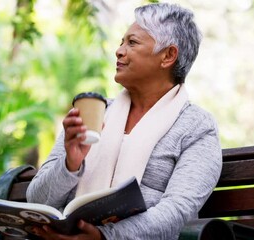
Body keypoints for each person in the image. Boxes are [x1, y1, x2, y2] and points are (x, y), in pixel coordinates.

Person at [26, 3, 222, 240]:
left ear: (168, 55)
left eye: (132, 42)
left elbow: (176, 212)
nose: (119, 51)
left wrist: (104, 236)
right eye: (121, 42)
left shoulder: (197, 127)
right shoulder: (95, 112)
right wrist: (70, 164)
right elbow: (36, 200)